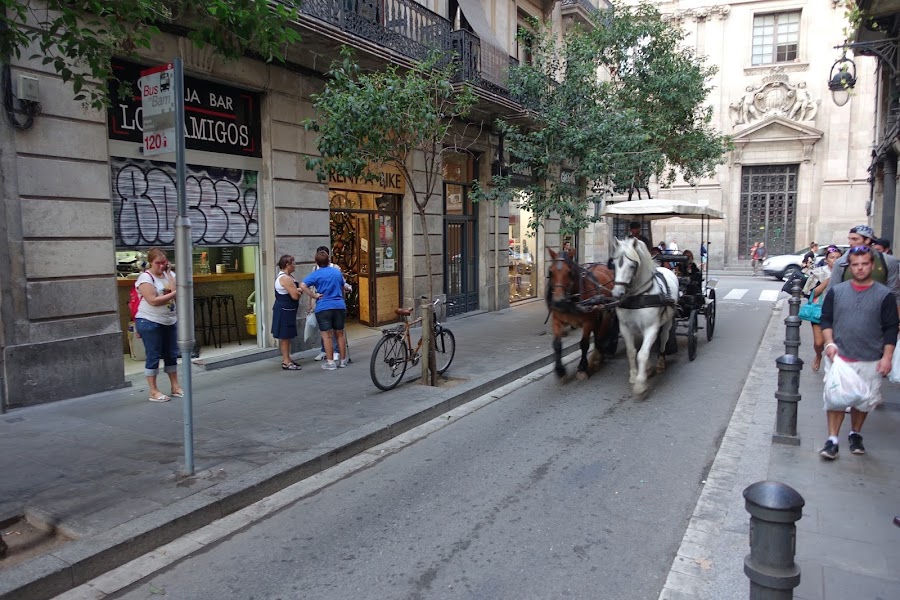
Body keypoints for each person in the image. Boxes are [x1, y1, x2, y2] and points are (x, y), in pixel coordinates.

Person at [818, 246, 898, 459]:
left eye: (864, 264)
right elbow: (826, 318)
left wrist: (887, 356)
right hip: (840, 355)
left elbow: (891, 327)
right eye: (855, 264)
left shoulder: (885, 295)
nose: (860, 268)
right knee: (835, 399)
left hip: (871, 358)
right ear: (849, 266)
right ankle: (832, 439)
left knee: (863, 401)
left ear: (872, 265)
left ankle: (855, 433)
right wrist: (829, 343)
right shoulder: (838, 291)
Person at [134, 248, 182, 402]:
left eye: (164, 263)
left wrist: (169, 274)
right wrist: (176, 293)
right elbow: (153, 301)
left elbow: (175, 288)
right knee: (153, 355)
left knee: (171, 353)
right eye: (158, 263)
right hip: (149, 320)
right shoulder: (145, 278)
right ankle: (153, 391)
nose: (161, 266)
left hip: (169, 319)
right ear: (150, 263)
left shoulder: (170, 275)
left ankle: (175, 386)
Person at [827, 225, 900, 310]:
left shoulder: (888, 261)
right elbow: (832, 292)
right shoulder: (841, 263)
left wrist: (896, 318)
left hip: (880, 314)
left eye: (855, 239)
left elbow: (894, 293)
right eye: (849, 239)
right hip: (848, 313)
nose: (850, 243)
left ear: (867, 240)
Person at [300, 250, 348, 370]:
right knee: (340, 334)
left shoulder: (316, 274)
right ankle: (343, 361)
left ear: (316, 262)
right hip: (339, 305)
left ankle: (330, 363)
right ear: (329, 261)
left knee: (327, 336)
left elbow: (302, 286)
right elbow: (343, 286)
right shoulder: (336, 272)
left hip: (324, 307)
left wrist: (314, 296)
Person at [802, 245, 842, 372]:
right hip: (820, 311)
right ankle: (819, 355)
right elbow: (810, 292)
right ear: (826, 259)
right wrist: (827, 281)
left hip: (840, 312)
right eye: (832, 258)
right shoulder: (819, 272)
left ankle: (833, 368)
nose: (835, 260)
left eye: (838, 258)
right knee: (819, 343)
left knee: (836, 342)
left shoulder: (846, 273)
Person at [312, 246, 351, 362]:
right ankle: (329, 353)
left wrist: (314, 296)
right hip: (331, 304)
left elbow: (305, 286)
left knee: (331, 332)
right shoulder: (315, 269)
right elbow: (313, 287)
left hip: (329, 304)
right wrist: (312, 301)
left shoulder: (335, 269)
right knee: (329, 332)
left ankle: (334, 354)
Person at [271, 255, 301, 371]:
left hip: (288, 310)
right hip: (284, 310)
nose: (295, 266)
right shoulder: (285, 278)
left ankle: (287, 358)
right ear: (287, 265)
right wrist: (298, 292)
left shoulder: (289, 277)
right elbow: (295, 296)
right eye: (293, 263)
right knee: (285, 336)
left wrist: (296, 290)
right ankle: (286, 361)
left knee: (287, 336)